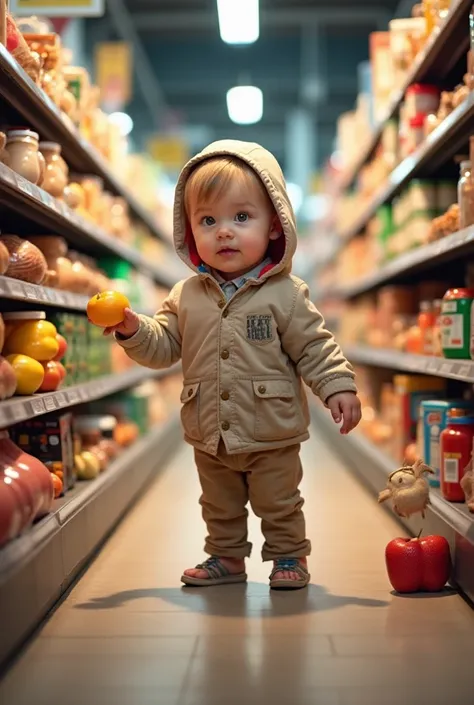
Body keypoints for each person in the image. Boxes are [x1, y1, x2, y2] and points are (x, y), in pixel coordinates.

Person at [104, 140, 361, 590]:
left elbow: (314, 346)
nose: (224, 231)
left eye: (241, 218)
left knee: (279, 500)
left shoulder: (285, 293)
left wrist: (337, 384)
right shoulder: (186, 296)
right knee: (217, 503)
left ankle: (287, 556)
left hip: (272, 428)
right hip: (210, 428)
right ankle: (226, 557)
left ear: (275, 227)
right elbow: (163, 346)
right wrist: (132, 330)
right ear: (190, 231)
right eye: (208, 220)